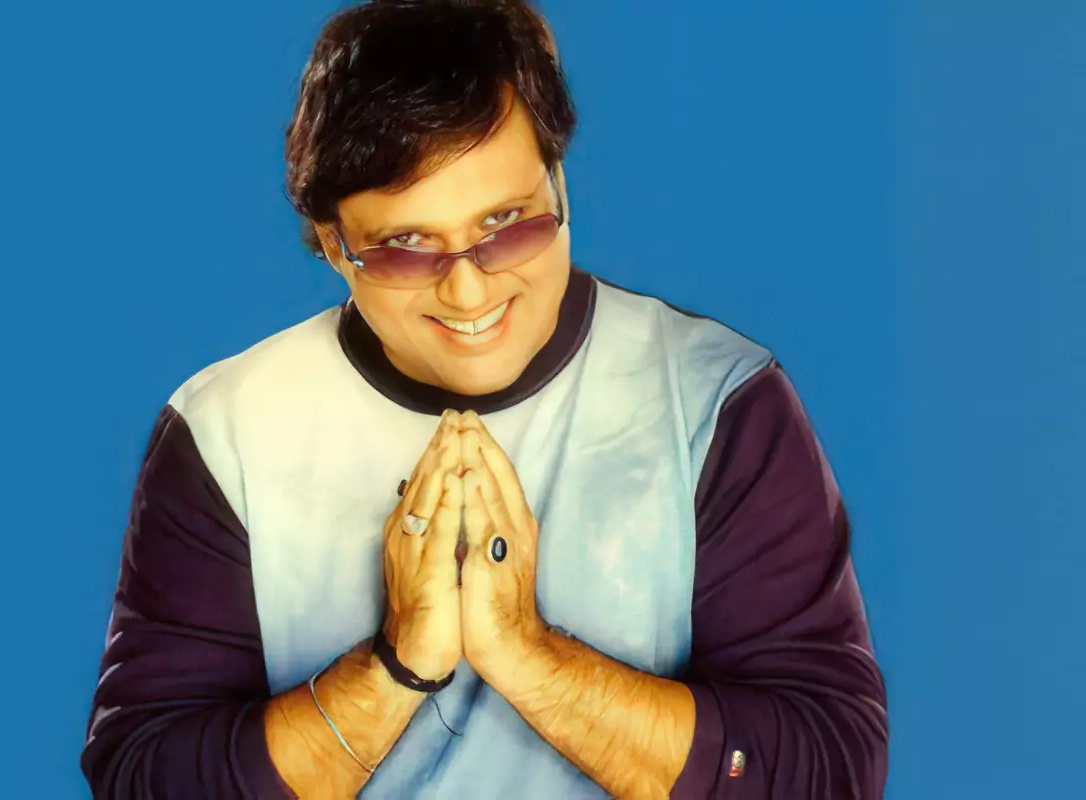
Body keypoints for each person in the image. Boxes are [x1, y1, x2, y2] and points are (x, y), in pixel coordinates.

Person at [80, 1, 889, 797]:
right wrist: (395, 668)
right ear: (333, 243)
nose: (468, 291)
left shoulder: (714, 398)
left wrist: (530, 659)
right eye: (405, 247)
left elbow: (832, 770)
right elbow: (143, 776)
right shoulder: (228, 431)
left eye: (506, 223)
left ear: (559, 185)